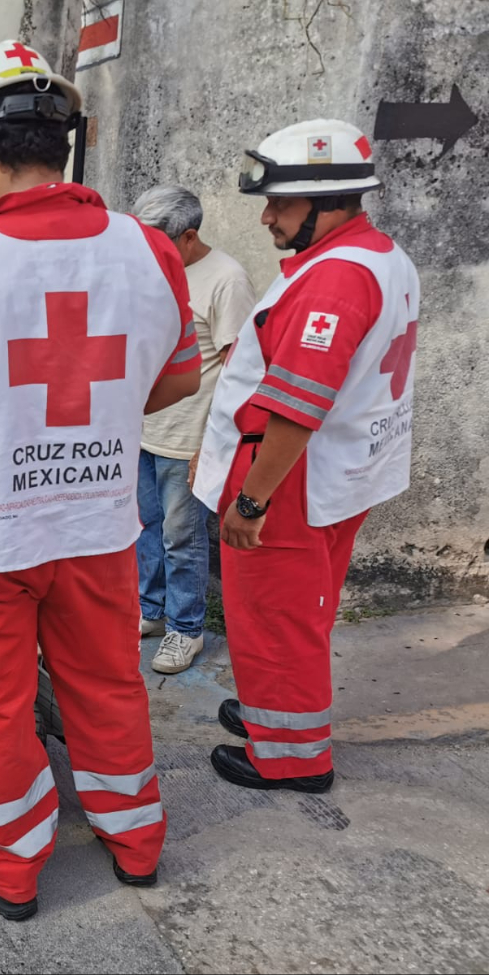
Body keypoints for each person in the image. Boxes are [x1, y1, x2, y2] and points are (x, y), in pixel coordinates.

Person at [0, 40, 200, 921]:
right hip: (96, 519)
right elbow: (175, 378)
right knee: (107, 682)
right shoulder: (151, 253)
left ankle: (9, 868)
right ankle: (136, 843)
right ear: (64, 144)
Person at [193, 119, 418, 794]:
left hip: (289, 476)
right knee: (304, 606)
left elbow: (298, 407)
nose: (266, 216)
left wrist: (252, 500)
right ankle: (276, 711)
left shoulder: (334, 282)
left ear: (329, 203)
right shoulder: (382, 256)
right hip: (344, 469)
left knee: (275, 614)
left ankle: (291, 756)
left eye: (281, 203)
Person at [131, 186, 257, 674]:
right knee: (146, 528)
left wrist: (214, 445)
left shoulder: (226, 280)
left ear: (188, 236)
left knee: (182, 538)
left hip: (188, 437)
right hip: (142, 428)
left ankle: (187, 630)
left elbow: (240, 371)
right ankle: (152, 612)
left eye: (158, 242)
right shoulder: (152, 271)